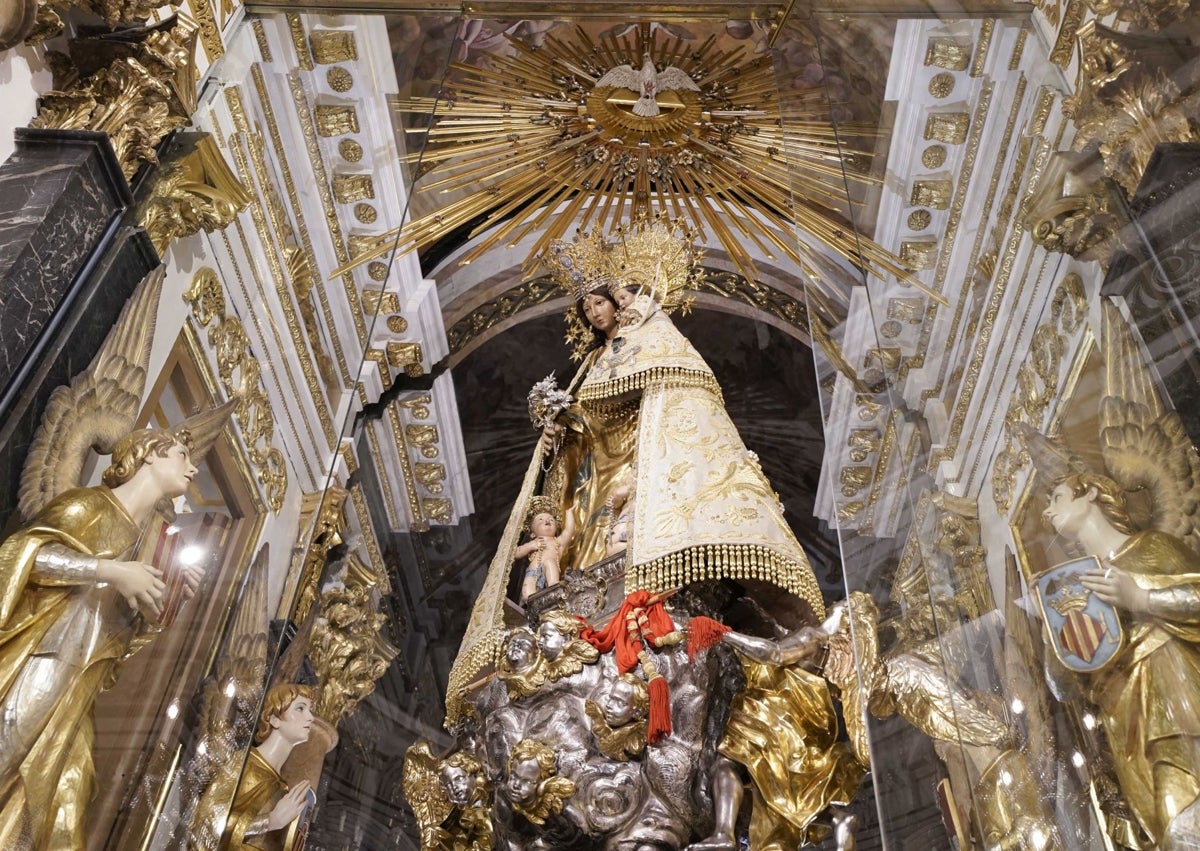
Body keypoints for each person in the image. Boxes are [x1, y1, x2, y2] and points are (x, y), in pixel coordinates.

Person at [535, 218, 824, 616]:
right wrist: (559, 426)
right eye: (586, 308)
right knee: (594, 539)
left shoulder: (650, 335)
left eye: (599, 302)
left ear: (617, 303)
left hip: (644, 447)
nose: (593, 312)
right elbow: (586, 413)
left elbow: (675, 378)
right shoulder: (591, 362)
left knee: (638, 527)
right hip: (600, 463)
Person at [0, 428, 206, 850]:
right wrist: (109, 571)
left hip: (82, 680)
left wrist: (167, 602)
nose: (194, 466)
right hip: (43, 659)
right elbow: (25, 555)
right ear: (149, 454)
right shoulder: (89, 505)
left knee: (70, 799)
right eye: (183, 454)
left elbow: (120, 640)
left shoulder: (151, 541)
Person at [1043, 472, 1200, 848]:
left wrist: (1141, 600)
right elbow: (1062, 687)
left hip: (1175, 691)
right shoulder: (1073, 587)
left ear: (1091, 494)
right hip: (1123, 716)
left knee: (1184, 827)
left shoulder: (1151, 547)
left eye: (1057, 497)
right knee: (1166, 831)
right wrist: (1054, 636)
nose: (1048, 511)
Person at [225, 683, 316, 850]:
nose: (310, 717)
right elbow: (209, 821)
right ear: (274, 720)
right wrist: (271, 820)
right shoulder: (244, 763)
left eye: (310, 710)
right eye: (300, 709)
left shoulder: (281, 786)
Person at [513, 496, 576, 603]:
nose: (547, 520)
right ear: (532, 533)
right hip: (533, 572)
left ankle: (554, 588)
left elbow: (568, 532)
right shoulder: (532, 543)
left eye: (551, 520)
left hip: (549, 566)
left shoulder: (557, 542)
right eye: (541, 519)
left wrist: (569, 514)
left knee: (549, 563)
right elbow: (516, 553)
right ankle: (531, 603)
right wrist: (530, 546)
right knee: (527, 592)